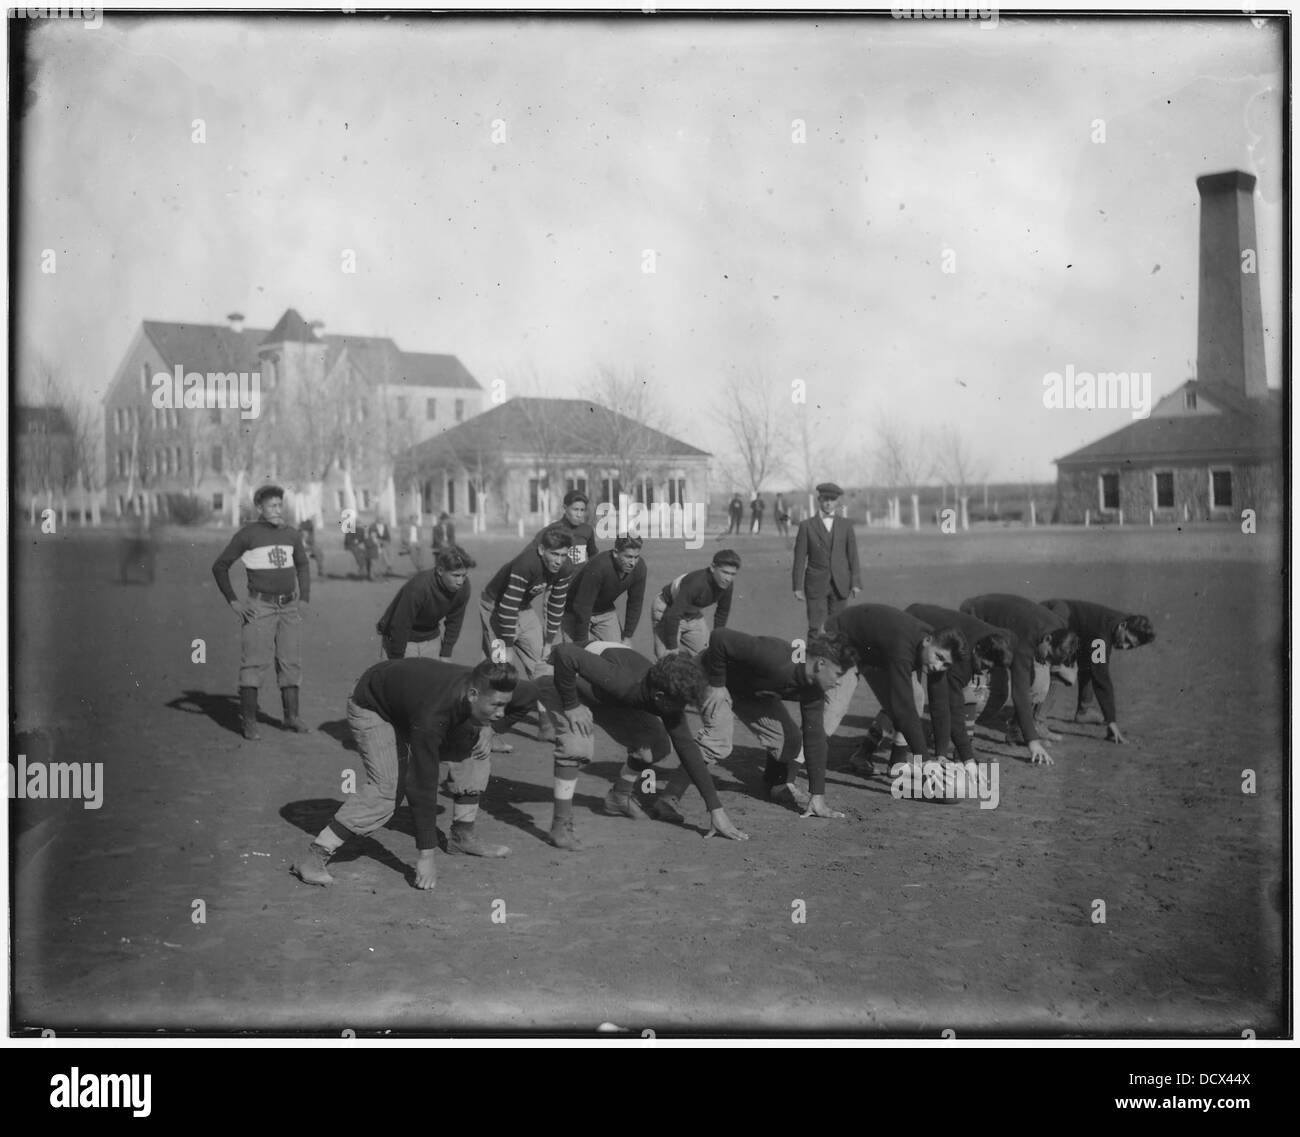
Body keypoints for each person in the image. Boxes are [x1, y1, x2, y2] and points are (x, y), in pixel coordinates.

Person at [292, 658, 536, 891]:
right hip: (373, 704)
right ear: (472, 695)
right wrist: (426, 855)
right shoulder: (433, 716)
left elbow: (532, 695)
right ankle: (315, 856)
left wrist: (491, 728)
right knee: (387, 789)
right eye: (496, 706)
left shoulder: (491, 687)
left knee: (476, 748)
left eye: (505, 704)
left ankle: (462, 836)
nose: (503, 712)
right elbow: (422, 782)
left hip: (412, 699)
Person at [545, 642, 749, 847]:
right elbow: (565, 653)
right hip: (562, 677)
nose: (680, 710)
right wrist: (571, 706)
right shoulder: (624, 682)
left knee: (655, 746)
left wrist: (716, 810)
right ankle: (560, 826)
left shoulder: (661, 693)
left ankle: (619, 797)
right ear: (660, 698)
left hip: (604, 693)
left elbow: (688, 750)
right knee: (576, 746)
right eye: (679, 705)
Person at [684, 627, 858, 818]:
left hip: (749, 691)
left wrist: (817, 795)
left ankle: (775, 784)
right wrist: (717, 684)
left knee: (791, 741)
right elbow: (720, 637)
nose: (839, 682)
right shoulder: (776, 657)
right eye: (838, 674)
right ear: (821, 663)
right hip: (712, 674)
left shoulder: (814, 689)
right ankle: (669, 797)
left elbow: (815, 737)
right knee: (718, 742)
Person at [212, 484, 312, 741]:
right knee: (254, 664)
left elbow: (303, 565)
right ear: (260, 508)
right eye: (272, 506)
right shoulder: (248, 535)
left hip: (289, 607)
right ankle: (249, 723)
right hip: (259, 607)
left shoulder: (291, 534)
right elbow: (220, 567)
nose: (278, 510)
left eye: (280, 505)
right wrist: (234, 602)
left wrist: (305, 599)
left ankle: (291, 717)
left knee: (290, 661)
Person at [824, 603, 968, 770]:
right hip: (843, 640)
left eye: (945, 664)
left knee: (915, 696)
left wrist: (941, 755)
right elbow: (903, 707)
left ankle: (896, 764)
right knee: (834, 709)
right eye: (939, 657)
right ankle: (789, 771)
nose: (938, 666)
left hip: (876, 653)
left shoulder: (935, 648)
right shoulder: (903, 647)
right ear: (928, 641)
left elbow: (940, 704)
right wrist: (926, 761)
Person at [959, 594, 1080, 766]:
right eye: (1049, 656)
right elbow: (1020, 691)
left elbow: (1059, 604)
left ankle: (1016, 730)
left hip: (1011, 626)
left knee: (1040, 685)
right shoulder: (1026, 639)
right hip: (975, 613)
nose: (1048, 661)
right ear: (1048, 639)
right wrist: (1033, 743)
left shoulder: (1060, 628)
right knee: (988, 693)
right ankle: (958, 736)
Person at [480, 530, 576, 741]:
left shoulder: (566, 567)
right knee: (501, 672)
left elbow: (556, 605)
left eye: (563, 555)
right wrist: (507, 646)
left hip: (523, 608)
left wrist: (549, 642)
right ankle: (487, 734)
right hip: (495, 609)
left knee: (543, 665)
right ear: (541, 550)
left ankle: (545, 725)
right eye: (554, 554)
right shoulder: (526, 563)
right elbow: (506, 607)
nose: (559, 561)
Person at [1040, 599, 1155, 744]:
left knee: (1089, 660)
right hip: (1055, 614)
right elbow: (1101, 677)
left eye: (1130, 646)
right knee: (1059, 669)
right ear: (1123, 626)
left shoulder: (1124, 621)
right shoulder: (1101, 637)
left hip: (1073, 624)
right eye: (1126, 640)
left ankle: (1084, 710)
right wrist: (1111, 720)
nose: (1125, 647)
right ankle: (1037, 722)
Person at [375, 546, 473, 659]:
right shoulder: (419, 587)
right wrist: (397, 659)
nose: (460, 581)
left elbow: (455, 621)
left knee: (433, 676)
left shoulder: (463, 588)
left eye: (464, 575)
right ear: (440, 570)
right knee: (399, 675)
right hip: (400, 638)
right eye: (455, 575)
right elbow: (400, 624)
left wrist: (446, 654)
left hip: (430, 637)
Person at [792, 482, 862, 635]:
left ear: (837, 502)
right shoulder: (806, 526)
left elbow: (853, 555)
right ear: (819, 499)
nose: (829, 503)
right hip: (816, 584)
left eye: (832, 499)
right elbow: (799, 559)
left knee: (837, 628)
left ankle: (834, 659)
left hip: (841, 585)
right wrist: (797, 586)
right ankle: (812, 657)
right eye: (825, 499)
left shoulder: (846, 525)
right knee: (816, 627)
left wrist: (856, 582)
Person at [650, 549, 741, 658]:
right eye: (724, 572)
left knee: (709, 657)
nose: (728, 578)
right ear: (712, 567)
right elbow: (672, 615)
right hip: (667, 608)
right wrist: (672, 647)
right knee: (666, 661)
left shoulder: (727, 585)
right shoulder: (696, 583)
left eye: (732, 574)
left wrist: (717, 639)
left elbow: (722, 612)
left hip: (691, 613)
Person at [562, 536, 647, 647]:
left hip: (605, 612)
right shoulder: (598, 567)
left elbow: (635, 602)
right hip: (574, 612)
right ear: (616, 553)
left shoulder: (639, 568)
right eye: (628, 557)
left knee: (618, 653)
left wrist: (627, 636)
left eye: (636, 557)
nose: (633, 563)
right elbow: (582, 606)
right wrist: (582, 643)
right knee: (578, 656)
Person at [534, 489, 598, 568]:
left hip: (580, 578)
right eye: (575, 509)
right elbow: (532, 554)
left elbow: (593, 555)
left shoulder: (587, 530)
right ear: (565, 508)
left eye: (582, 510)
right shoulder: (552, 529)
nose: (579, 514)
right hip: (557, 578)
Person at [118, 509, 158, 585]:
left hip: (141, 541)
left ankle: (151, 574)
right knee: (128, 558)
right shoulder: (136, 520)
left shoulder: (141, 520)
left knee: (149, 557)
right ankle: (124, 576)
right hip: (137, 541)